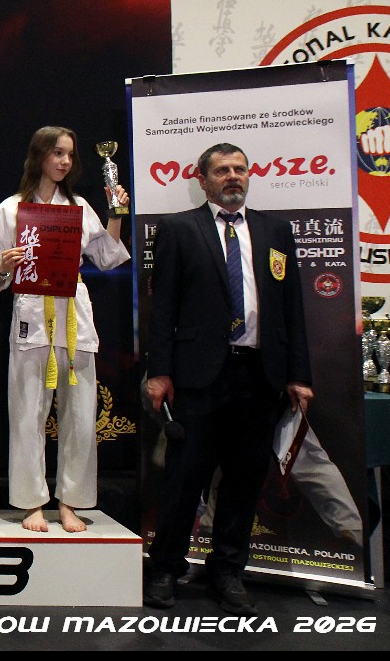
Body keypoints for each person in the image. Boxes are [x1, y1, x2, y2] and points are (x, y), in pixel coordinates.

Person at [144, 142, 313, 613]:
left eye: (239, 169)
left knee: (244, 480)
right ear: (203, 180)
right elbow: (163, 308)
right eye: (222, 170)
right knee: (184, 478)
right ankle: (165, 569)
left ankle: (228, 572)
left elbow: (292, 308)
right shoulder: (179, 229)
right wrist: (160, 371)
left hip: (260, 374)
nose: (233, 176)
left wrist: (298, 374)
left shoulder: (275, 230)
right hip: (198, 376)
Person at [0, 126, 130, 533]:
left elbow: (107, 257)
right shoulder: (11, 209)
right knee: (27, 412)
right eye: (57, 153)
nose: (65, 161)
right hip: (31, 313)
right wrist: (4, 267)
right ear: (39, 156)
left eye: (69, 154)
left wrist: (116, 215)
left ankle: (70, 501)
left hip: (73, 312)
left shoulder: (79, 206)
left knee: (81, 415)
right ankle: (31, 501)